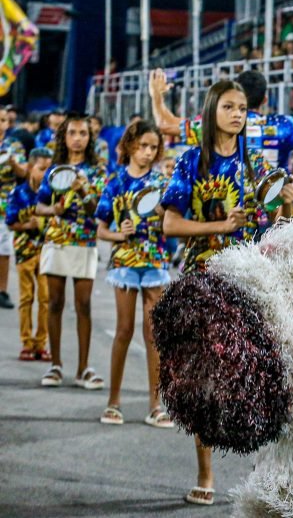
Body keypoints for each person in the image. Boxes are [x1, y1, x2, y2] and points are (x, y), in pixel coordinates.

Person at [161, 80, 291, 505]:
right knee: (203, 380)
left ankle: (261, 474)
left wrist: (285, 200)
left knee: (259, 377)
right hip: (202, 277)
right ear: (212, 109)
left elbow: (273, 223)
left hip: (249, 278)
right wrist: (220, 227)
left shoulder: (255, 163)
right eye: (230, 107)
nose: (239, 114)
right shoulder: (190, 163)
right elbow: (170, 225)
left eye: (243, 109)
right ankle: (206, 472)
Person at [150, 68, 293, 221]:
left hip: (226, 209)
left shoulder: (214, 124)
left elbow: (165, 124)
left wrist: (157, 96)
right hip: (273, 206)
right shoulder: (282, 127)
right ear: (264, 99)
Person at [95, 120, 173, 428]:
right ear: (129, 146)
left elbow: (172, 221)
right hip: (125, 261)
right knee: (124, 330)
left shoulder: (162, 184)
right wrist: (118, 233)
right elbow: (100, 228)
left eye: (153, 147)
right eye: (142, 146)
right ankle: (113, 402)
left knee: (153, 333)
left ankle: (156, 405)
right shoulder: (115, 183)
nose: (147, 153)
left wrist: (163, 214)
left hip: (154, 261)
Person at [36, 116, 106, 390]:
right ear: (63, 136)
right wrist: (54, 210)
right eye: (73, 132)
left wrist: (84, 190)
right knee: (54, 303)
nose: (78, 138)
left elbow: (98, 211)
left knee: (84, 305)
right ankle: (55, 365)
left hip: (85, 242)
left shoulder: (97, 172)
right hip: (56, 241)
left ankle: (83, 368)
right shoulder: (53, 171)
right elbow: (40, 206)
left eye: (83, 133)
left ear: (90, 138)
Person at [5, 148, 51, 361]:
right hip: (24, 252)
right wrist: (26, 225)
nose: (45, 174)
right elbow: (10, 222)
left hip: (46, 252)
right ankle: (26, 342)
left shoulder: (51, 196)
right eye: (42, 169)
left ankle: (41, 344)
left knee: (45, 299)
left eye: (49, 169)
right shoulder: (19, 193)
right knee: (26, 298)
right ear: (31, 167)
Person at [0, 106, 29, 309]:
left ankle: (2, 290)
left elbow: (22, 173)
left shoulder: (13, 145)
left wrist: (11, 160)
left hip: (4, 204)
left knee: (3, 250)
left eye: (3, 120)